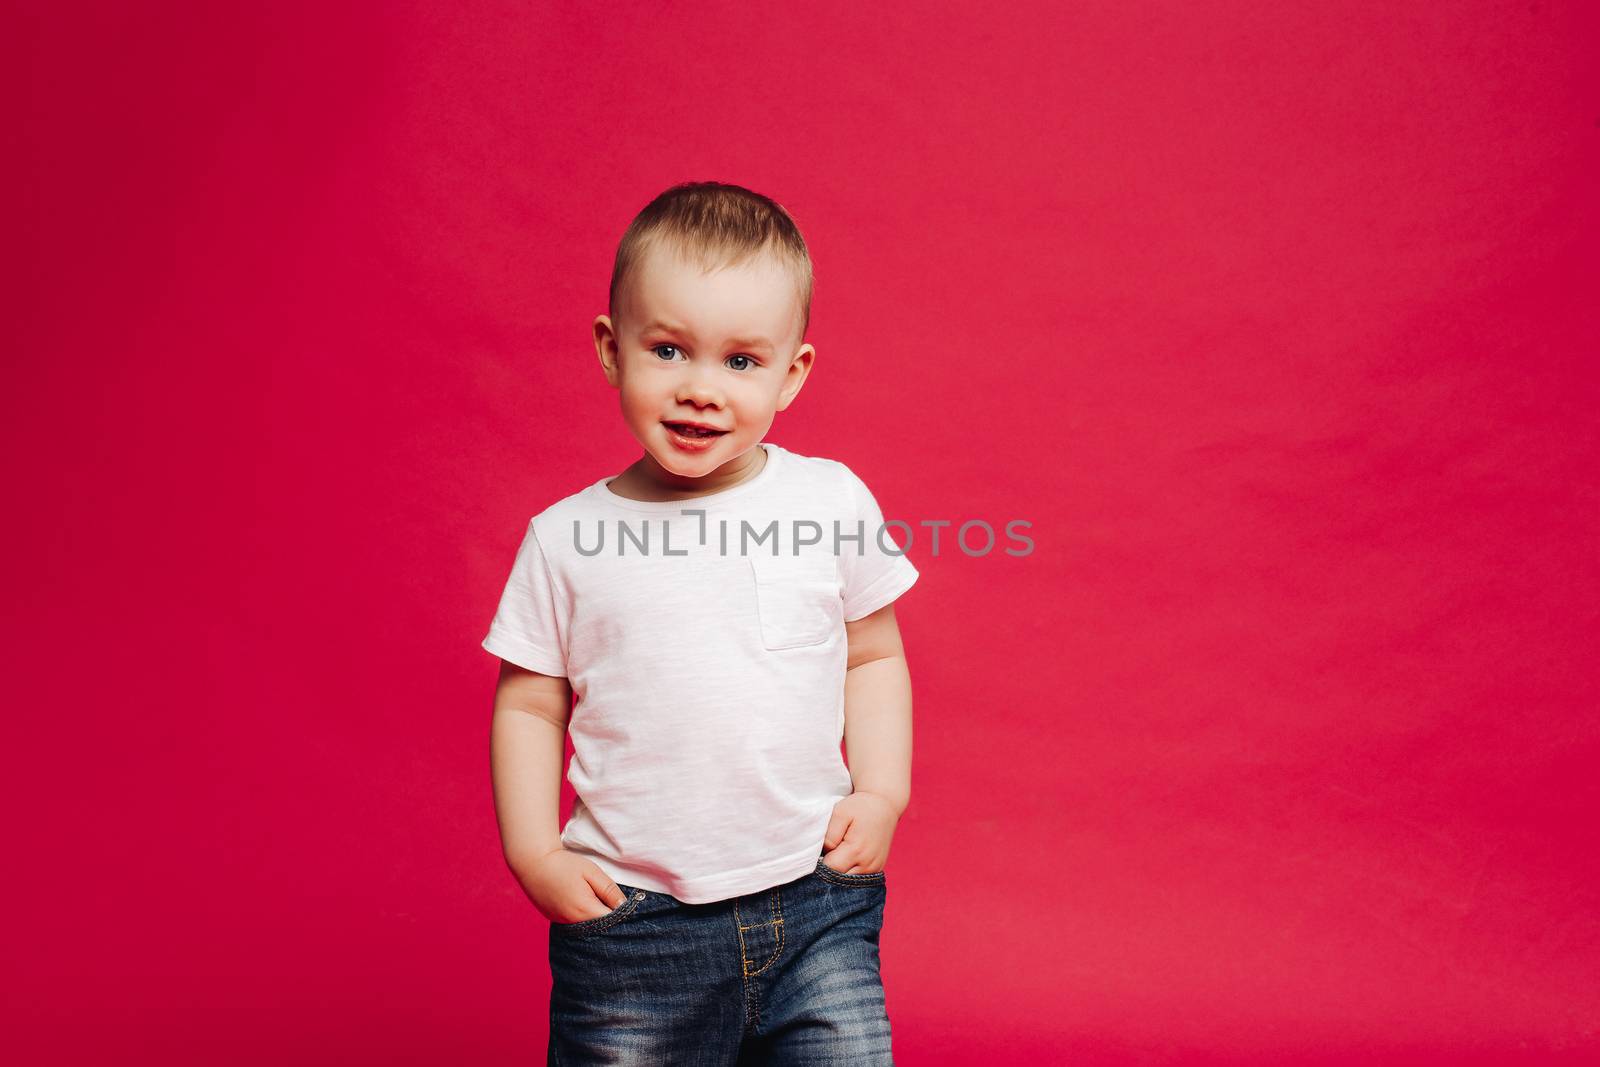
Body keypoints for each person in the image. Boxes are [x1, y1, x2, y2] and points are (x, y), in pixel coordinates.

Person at [482, 180, 917, 1065]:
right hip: (636, 927)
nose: (701, 390)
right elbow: (531, 705)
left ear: (792, 372)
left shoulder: (827, 500)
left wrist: (881, 790)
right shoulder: (567, 538)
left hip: (815, 900)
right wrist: (534, 853)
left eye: (741, 362)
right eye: (670, 349)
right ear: (613, 350)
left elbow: (872, 655)